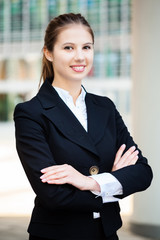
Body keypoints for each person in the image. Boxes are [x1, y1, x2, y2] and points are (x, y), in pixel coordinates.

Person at [14, 13, 153, 240]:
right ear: (48, 53)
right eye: (68, 48)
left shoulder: (105, 107)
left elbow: (143, 173)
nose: (80, 57)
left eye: (86, 47)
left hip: (107, 234)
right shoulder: (31, 113)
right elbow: (53, 195)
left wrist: (89, 182)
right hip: (57, 235)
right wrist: (113, 182)